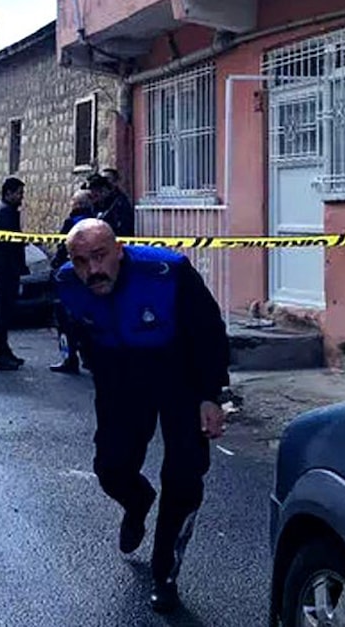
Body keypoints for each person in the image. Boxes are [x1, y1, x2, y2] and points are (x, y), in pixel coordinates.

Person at [55, 218, 230, 614]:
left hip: (180, 374)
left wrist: (211, 395)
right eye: (81, 261)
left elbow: (209, 332)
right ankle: (137, 502)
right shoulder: (67, 283)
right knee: (111, 468)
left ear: (119, 251)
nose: (92, 270)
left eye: (100, 256)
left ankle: (165, 573)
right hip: (121, 379)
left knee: (184, 475)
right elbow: (79, 330)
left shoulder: (166, 272)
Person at [50, 188, 95, 374]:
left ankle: (69, 359)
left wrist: (55, 267)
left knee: (65, 322)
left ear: (77, 204)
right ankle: (89, 358)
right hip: (89, 277)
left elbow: (63, 249)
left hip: (70, 278)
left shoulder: (71, 224)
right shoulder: (96, 222)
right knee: (88, 319)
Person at [0, 176, 26, 371]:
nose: (21, 197)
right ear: (8, 193)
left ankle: (4, 350)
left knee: (5, 312)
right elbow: (10, 244)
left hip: (3, 268)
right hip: (4, 269)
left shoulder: (3, 210)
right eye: (19, 193)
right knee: (3, 312)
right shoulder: (5, 213)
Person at [89, 169, 136, 239]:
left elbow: (124, 225)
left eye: (107, 179)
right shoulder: (96, 202)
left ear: (115, 182)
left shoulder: (120, 201)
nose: (105, 181)